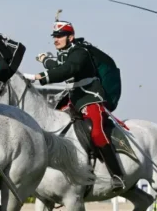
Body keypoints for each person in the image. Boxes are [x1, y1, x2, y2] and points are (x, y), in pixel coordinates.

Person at [33, 11, 125, 190]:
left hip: (90, 97)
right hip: (73, 98)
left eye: (60, 36)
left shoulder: (80, 51)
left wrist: (39, 77)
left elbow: (67, 70)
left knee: (97, 133)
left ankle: (117, 175)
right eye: (55, 36)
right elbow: (58, 65)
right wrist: (45, 60)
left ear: (71, 36)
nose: (56, 40)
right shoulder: (65, 52)